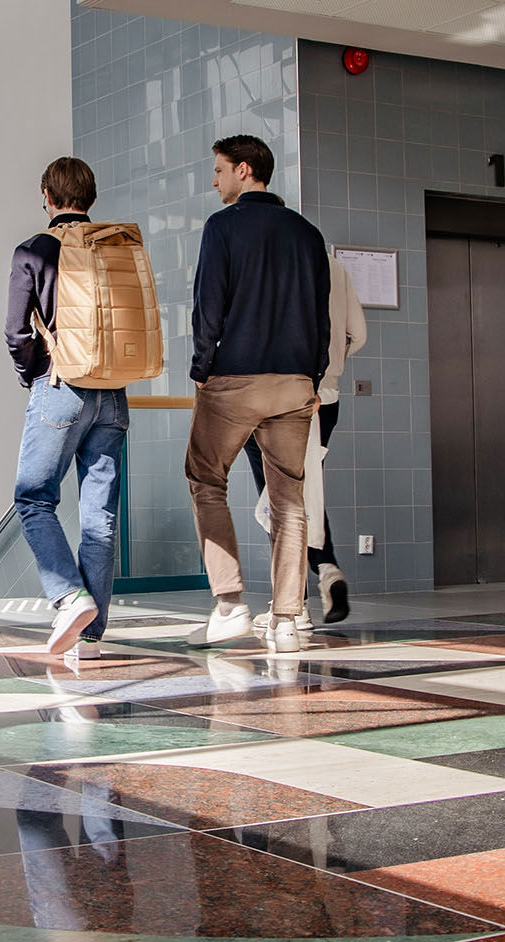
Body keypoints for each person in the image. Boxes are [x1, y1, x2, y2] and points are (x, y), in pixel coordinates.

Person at [184, 135, 330, 654]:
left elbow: (209, 305)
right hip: (294, 383)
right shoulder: (308, 234)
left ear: (245, 171)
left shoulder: (222, 227)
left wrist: (202, 367)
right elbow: (321, 314)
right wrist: (312, 377)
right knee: (289, 498)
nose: (215, 180)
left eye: (219, 170)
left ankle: (229, 605)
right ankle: (287, 620)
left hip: (235, 380)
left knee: (205, 477)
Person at [5, 156, 126, 659]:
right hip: (115, 392)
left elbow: (16, 332)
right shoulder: (115, 247)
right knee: (100, 516)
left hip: (61, 386)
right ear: (90, 197)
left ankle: (69, 597)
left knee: (34, 498)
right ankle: (89, 639)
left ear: (48, 197)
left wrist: (32, 375)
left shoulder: (34, 250)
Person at [243, 248, 365, 626]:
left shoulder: (266, 260)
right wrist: (332, 367)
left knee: (280, 497)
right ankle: (326, 568)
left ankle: (292, 604)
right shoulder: (333, 264)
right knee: (302, 488)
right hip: (326, 397)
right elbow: (357, 334)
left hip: (273, 394)